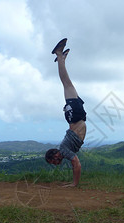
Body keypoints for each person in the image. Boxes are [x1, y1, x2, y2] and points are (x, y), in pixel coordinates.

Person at [45, 38, 87, 187]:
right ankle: (62, 59)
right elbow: (74, 163)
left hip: (75, 117)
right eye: (54, 163)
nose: (56, 163)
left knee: (66, 83)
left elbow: (77, 163)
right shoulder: (63, 151)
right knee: (68, 84)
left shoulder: (63, 150)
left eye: (54, 160)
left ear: (55, 154)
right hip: (77, 117)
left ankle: (59, 54)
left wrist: (74, 184)